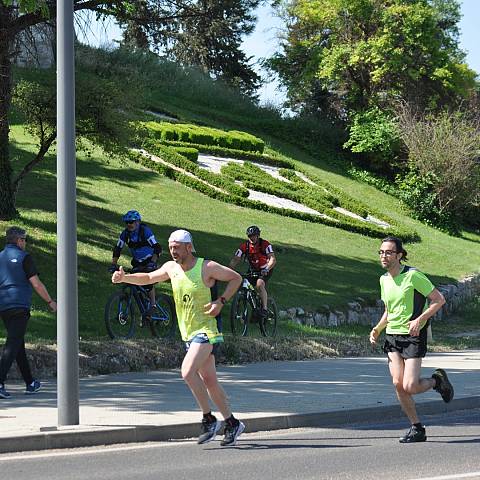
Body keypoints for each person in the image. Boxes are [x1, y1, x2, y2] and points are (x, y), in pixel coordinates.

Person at [112, 228, 245, 446]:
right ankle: (232, 423)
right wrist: (125, 277)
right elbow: (148, 277)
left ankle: (208, 418)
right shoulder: (171, 267)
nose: (173, 251)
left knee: (187, 372)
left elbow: (235, 278)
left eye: (177, 248)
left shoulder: (206, 267)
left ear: (189, 247)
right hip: (189, 333)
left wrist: (220, 301)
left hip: (207, 331)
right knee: (210, 381)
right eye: (171, 247)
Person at [369, 236, 453, 443]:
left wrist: (420, 319)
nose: (384, 256)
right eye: (381, 252)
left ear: (399, 255)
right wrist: (378, 329)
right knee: (398, 384)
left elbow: (438, 300)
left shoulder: (413, 276)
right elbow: (389, 310)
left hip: (414, 336)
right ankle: (417, 427)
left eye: (388, 252)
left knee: (410, 386)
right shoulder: (384, 279)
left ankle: (437, 381)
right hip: (393, 336)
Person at [0, 227, 57, 399]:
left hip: (4, 307)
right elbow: (37, 284)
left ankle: (30, 382)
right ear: (19, 241)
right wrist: (50, 302)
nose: (25, 243)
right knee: (12, 344)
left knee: (18, 344)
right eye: (24, 240)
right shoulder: (25, 258)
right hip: (19, 306)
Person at [110, 210, 162, 309]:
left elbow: (157, 248)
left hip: (149, 261)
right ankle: (144, 310)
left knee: (147, 282)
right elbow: (118, 248)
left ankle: (153, 305)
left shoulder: (145, 231)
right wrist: (113, 263)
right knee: (134, 281)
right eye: (127, 222)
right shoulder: (125, 234)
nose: (129, 224)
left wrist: (152, 262)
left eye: (131, 222)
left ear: (138, 222)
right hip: (137, 262)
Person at [229, 225, 276, 320]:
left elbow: (273, 259)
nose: (252, 238)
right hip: (253, 269)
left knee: (259, 284)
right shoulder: (245, 246)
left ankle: (265, 309)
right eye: (250, 236)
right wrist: (229, 270)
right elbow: (235, 259)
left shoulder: (265, 244)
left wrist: (266, 269)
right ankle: (244, 305)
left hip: (265, 269)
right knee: (241, 283)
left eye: (254, 235)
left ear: (258, 236)